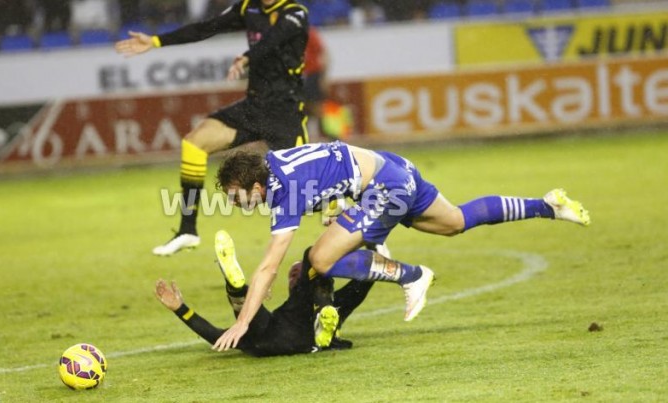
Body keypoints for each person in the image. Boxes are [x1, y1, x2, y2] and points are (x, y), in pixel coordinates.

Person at [211, 140, 591, 351]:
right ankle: (549, 206)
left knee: (318, 259)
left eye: (234, 196)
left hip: (385, 188)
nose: (233, 203)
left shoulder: (285, 195)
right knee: (455, 222)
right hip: (395, 167)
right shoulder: (271, 162)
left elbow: (268, 267)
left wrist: (244, 322)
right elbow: (328, 159)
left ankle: (413, 276)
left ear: (257, 188)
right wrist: (337, 203)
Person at [114, 0, 311, 256]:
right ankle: (188, 231)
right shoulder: (247, 7)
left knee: (311, 190)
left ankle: (366, 234)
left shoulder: (295, 13)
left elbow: (274, 39)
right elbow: (208, 27)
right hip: (253, 107)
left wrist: (246, 57)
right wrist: (156, 41)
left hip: (284, 112)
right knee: (195, 143)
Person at [154, 230, 374, 357]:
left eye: (295, 274)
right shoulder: (324, 304)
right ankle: (322, 310)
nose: (294, 276)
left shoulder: (282, 316)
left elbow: (217, 336)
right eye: (293, 275)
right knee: (315, 258)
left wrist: (181, 309)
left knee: (246, 321)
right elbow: (361, 285)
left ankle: (237, 288)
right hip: (303, 339)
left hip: (265, 345)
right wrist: (371, 241)